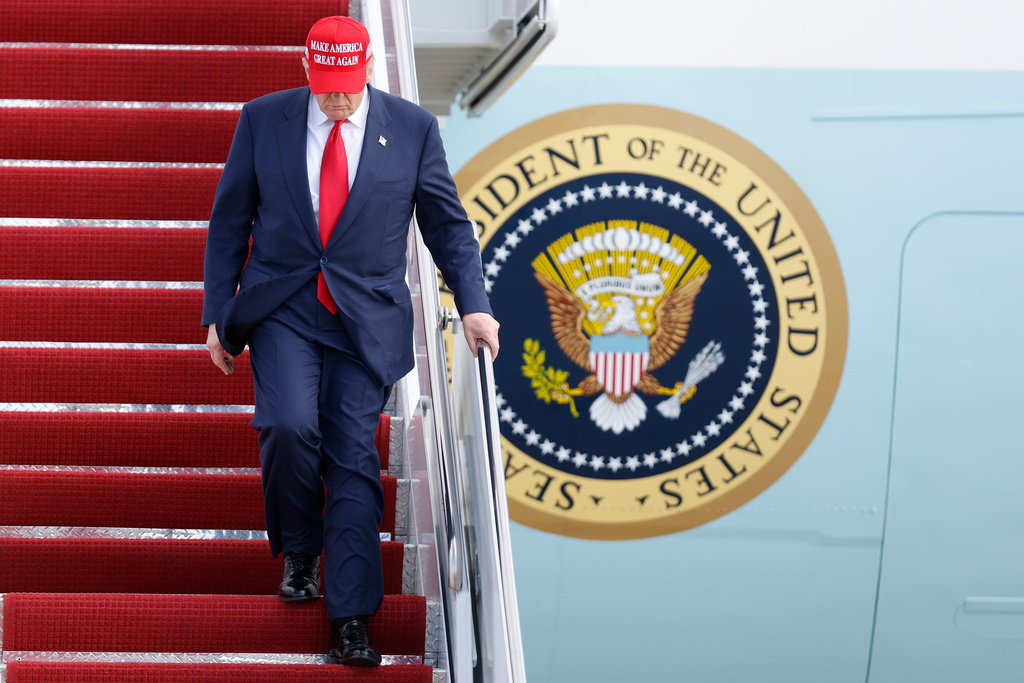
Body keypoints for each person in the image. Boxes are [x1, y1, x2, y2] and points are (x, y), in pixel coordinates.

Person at [201, 15, 499, 666]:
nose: (337, 101)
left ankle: (352, 618)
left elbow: (447, 228)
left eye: (348, 87)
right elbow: (229, 221)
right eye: (325, 87)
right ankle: (302, 546)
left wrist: (472, 306)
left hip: (365, 314)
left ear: (367, 69)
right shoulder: (263, 120)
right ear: (306, 69)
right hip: (283, 302)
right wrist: (218, 313)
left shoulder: (414, 130)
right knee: (285, 424)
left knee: (353, 456)